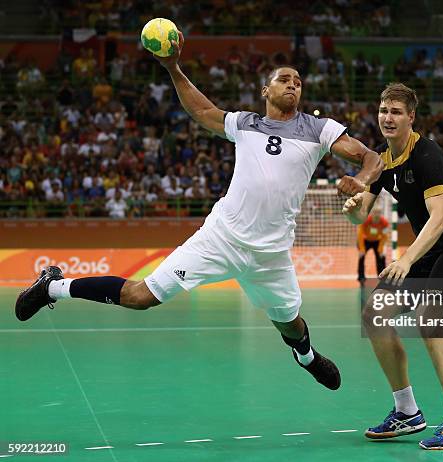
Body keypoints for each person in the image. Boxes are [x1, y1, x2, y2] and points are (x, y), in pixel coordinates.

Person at [15, 31, 384, 392]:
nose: (293, 84)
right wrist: (174, 67)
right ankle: (53, 286)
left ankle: (305, 358)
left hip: (271, 253)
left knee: (289, 324)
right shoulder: (245, 124)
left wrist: (361, 179)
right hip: (221, 238)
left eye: (298, 81)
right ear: (265, 91)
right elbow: (203, 110)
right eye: (283, 79)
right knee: (141, 297)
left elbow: (371, 157)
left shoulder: (319, 129)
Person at [343, 83, 443, 449]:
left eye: (396, 112)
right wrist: (352, 207)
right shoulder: (383, 161)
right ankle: (407, 412)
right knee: (375, 313)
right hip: (427, 251)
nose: (388, 118)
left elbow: (439, 219)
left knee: (430, 317)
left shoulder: (427, 155)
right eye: (383, 111)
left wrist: (405, 258)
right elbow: (362, 214)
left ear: (410, 117)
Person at [357, 207, 389, 284]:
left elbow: (384, 237)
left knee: (381, 258)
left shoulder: (384, 223)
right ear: (371, 213)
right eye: (375, 212)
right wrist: (362, 249)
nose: (376, 214)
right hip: (365, 240)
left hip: (377, 241)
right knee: (361, 257)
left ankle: (382, 276)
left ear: (380, 214)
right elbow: (360, 235)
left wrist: (380, 249)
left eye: (378, 212)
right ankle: (361, 277)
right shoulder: (365, 221)